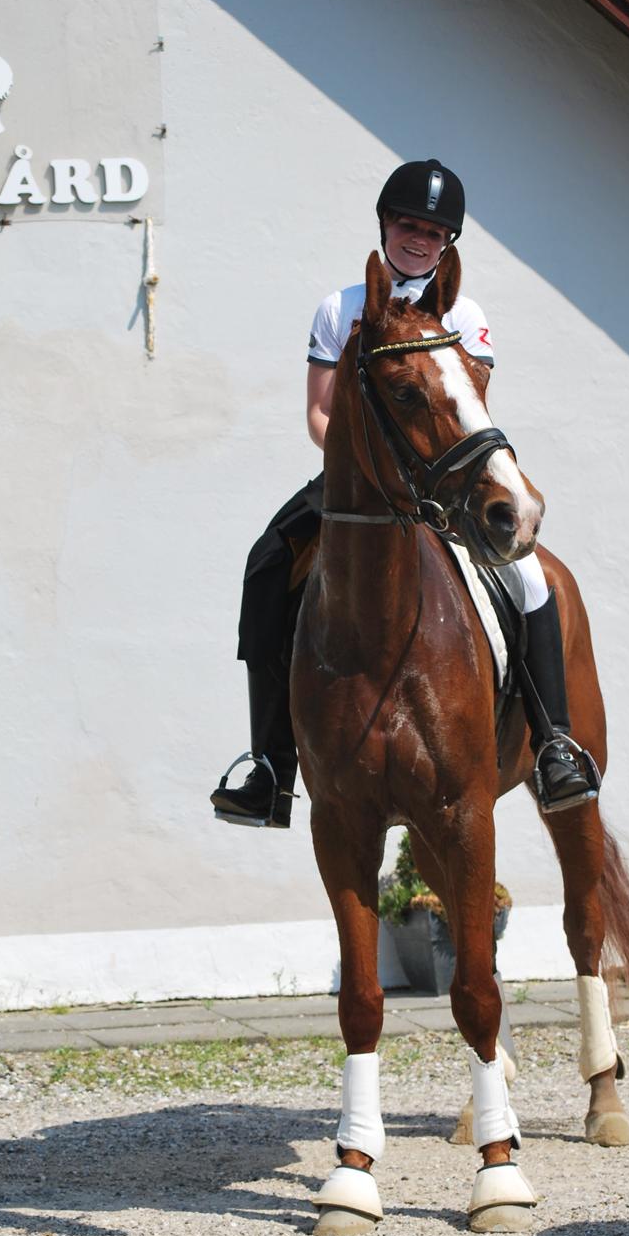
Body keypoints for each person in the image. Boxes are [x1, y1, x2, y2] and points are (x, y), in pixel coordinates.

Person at [210, 159, 597, 828]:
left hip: (440, 476)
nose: (419, 239)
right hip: (357, 475)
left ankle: (554, 742)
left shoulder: (463, 313)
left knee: (532, 577)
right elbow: (319, 415)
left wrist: (431, 478)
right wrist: (368, 466)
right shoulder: (340, 308)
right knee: (267, 564)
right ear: (385, 225)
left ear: (447, 243)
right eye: (408, 225)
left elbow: (464, 410)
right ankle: (269, 763)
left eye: (434, 232)